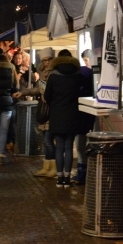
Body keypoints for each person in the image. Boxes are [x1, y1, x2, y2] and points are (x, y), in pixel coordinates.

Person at [44, 49, 85, 188]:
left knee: (59, 146)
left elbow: (47, 97)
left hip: (57, 115)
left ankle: (59, 177)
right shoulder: (78, 75)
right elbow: (84, 92)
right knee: (68, 147)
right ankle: (67, 177)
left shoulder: (53, 76)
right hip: (73, 114)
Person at [15, 47, 56, 177]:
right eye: (44, 60)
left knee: (49, 140)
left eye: (49, 60)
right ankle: (47, 166)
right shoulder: (43, 73)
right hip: (44, 108)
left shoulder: (53, 74)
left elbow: (44, 91)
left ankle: (52, 167)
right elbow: (39, 89)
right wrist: (23, 92)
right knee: (46, 140)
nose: (46, 63)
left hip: (51, 109)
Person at [74, 49, 97, 184]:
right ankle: (84, 173)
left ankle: (82, 174)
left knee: (80, 146)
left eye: (87, 60)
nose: (86, 62)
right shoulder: (89, 74)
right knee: (83, 146)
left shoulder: (83, 73)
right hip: (88, 116)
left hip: (81, 116)